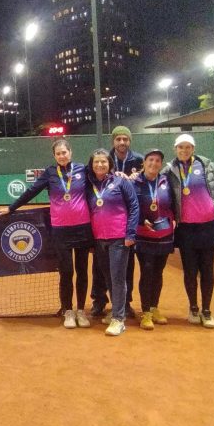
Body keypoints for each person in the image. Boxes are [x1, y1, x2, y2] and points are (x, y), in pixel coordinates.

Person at [0, 138, 93, 328]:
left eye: (64, 152)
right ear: (54, 156)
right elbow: (32, 191)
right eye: (58, 153)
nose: (62, 156)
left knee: (82, 271)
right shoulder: (50, 173)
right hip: (60, 230)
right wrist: (12, 207)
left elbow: (101, 180)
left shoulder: (83, 170)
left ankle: (81, 311)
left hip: (82, 228)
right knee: (66, 272)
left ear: (70, 152)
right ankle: (67, 311)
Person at [161, 134, 214, 328]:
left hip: (208, 226)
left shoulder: (207, 165)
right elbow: (153, 178)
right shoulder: (169, 169)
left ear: (193, 148)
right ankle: (193, 308)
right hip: (186, 229)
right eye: (180, 147)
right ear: (175, 149)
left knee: (207, 270)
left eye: (188, 147)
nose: (184, 150)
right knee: (190, 271)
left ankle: (207, 311)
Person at [90, 125, 143, 318]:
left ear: (130, 141)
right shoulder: (105, 159)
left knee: (125, 267)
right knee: (99, 267)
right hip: (104, 224)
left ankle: (124, 304)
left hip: (126, 222)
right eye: (118, 139)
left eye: (125, 139)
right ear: (113, 141)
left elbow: (148, 180)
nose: (122, 142)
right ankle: (99, 300)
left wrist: (136, 179)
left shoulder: (139, 160)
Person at [86, 148, 139, 336]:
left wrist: (130, 234)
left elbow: (134, 206)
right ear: (91, 165)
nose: (100, 165)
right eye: (96, 162)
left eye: (103, 161)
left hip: (119, 237)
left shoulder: (121, 181)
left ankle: (118, 319)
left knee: (117, 278)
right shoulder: (89, 184)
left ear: (110, 164)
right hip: (99, 238)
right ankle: (117, 311)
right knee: (108, 277)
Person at [131, 149, 175, 330]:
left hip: (164, 234)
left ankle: (154, 308)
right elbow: (130, 206)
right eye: (150, 160)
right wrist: (142, 220)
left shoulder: (166, 181)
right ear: (144, 162)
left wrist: (174, 220)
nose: (154, 163)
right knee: (147, 270)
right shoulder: (135, 182)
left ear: (161, 164)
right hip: (143, 234)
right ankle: (145, 312)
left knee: (158, 272)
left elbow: (173, 203)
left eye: (157, 160)